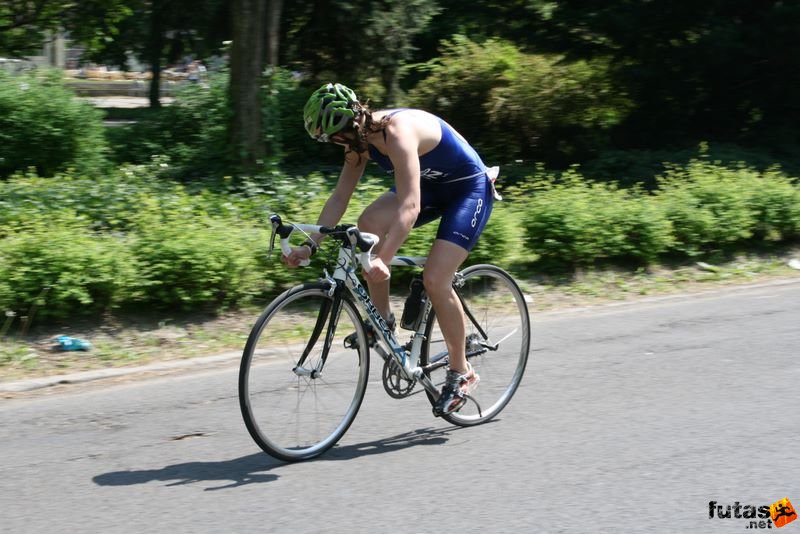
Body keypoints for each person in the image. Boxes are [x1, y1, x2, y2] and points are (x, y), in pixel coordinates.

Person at [284, 82, 498, 416]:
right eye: (330, 140)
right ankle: (381, 322)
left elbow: (410, 206)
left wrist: (382, 259)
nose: (336, 144)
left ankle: (462, 372)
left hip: (468, 189)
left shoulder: (397, 133)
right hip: (431, 188)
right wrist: (310, 245)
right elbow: (340, 197)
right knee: (367, 223)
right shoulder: (357, 145)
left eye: (335, 136)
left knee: (436, 279)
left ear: (351, 122)